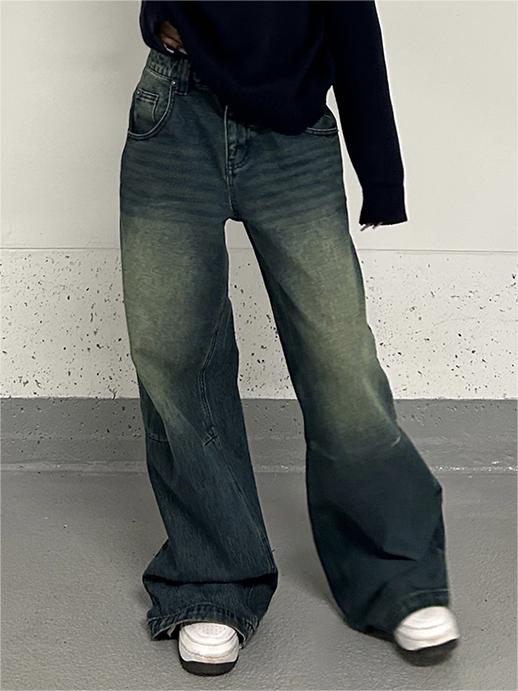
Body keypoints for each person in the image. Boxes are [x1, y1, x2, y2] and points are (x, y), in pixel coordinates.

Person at [118, 0, 461, 676]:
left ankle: (397, 575)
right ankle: (212, 578)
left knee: (340, 359)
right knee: (174, 355)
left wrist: (381, 170)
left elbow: (351, 16)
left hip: (293, 129)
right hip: (174, 108)